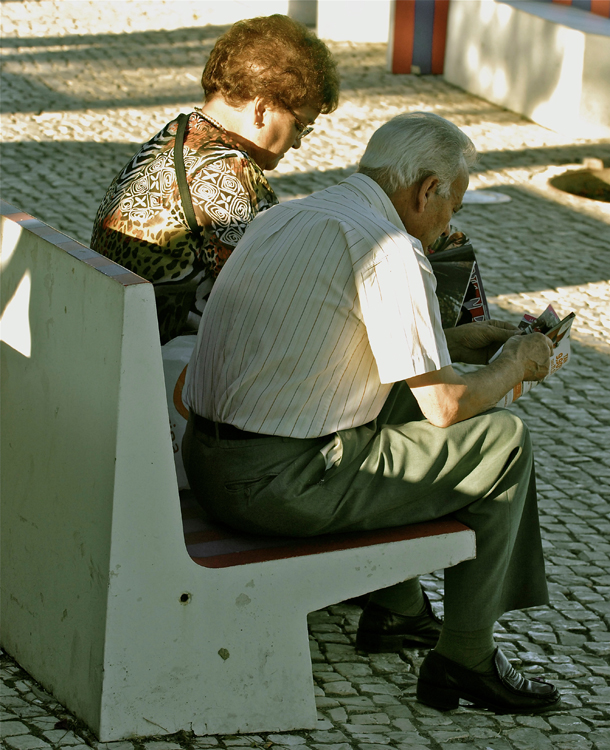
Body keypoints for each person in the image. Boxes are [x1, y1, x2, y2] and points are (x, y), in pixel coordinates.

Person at [181, 112, 561, 714]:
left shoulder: (287, 216)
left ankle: (400, 607)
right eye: (451, 208)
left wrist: (459, 342)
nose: (447, 226)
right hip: (278, 487)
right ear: (426, 190)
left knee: (389, 407)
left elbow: (330, 345)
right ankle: (466, 656)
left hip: (207, 462)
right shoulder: (391, 248)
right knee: (503, 440)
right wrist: (515, 365)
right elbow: (446, 406)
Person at [91, 14, 339, 344]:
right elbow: (273, 304)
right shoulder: (230, 173)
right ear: (262, 108)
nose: (297, 142)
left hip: (112, 338)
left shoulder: (178, 133)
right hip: (160, 366)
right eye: (300, 125)